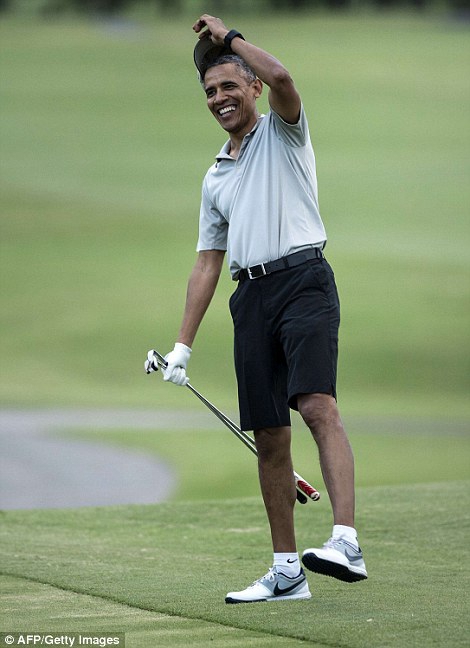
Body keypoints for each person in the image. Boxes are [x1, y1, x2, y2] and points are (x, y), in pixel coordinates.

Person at [147, 14, 367, 604]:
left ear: (253, 87)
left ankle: (345, 541)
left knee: (317, 405)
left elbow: (285, 76)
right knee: (269, 435)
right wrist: (183, 345)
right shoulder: (214, 176)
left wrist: (230, 37)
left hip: (303, 281)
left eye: (229, 86)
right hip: (250, 298)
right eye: (209, 91)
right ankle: (286, 571)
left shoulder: (284, 131)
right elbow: (206, 263)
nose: (219, 98)